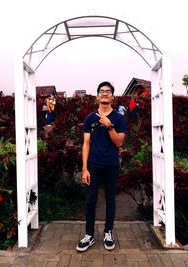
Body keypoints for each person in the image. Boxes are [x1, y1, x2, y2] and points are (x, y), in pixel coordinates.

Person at [76, 81, 127, 252]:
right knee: (90, 200)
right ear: (97, 96)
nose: (104, 94)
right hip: (93, 165)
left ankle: (108, 232)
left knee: (110, 200)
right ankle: (89, 235)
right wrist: (84, 168)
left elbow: (119, 142)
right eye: (101, 91)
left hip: (111, 164)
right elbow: (86, 144)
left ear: (112, 96)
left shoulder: (119, 119)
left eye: (108, 92)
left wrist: (109, 125)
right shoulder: (90, 119)